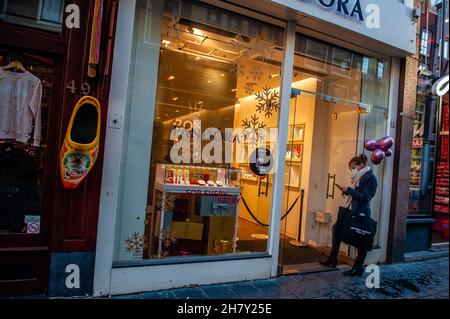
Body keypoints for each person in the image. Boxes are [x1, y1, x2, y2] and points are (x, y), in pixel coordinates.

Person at [319, 154, 378, 276]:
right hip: (350, 210)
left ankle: (358, 267)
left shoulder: (370, 178)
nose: (352, 170)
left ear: (361, 165)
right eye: (351, 168)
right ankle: (332, 259)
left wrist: (349, 190)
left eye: (353, 167)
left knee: (360, 240)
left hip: (360, 212)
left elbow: (365, 198)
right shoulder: (359, 177)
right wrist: (346, 192)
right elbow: (356, 195)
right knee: (336, 230)